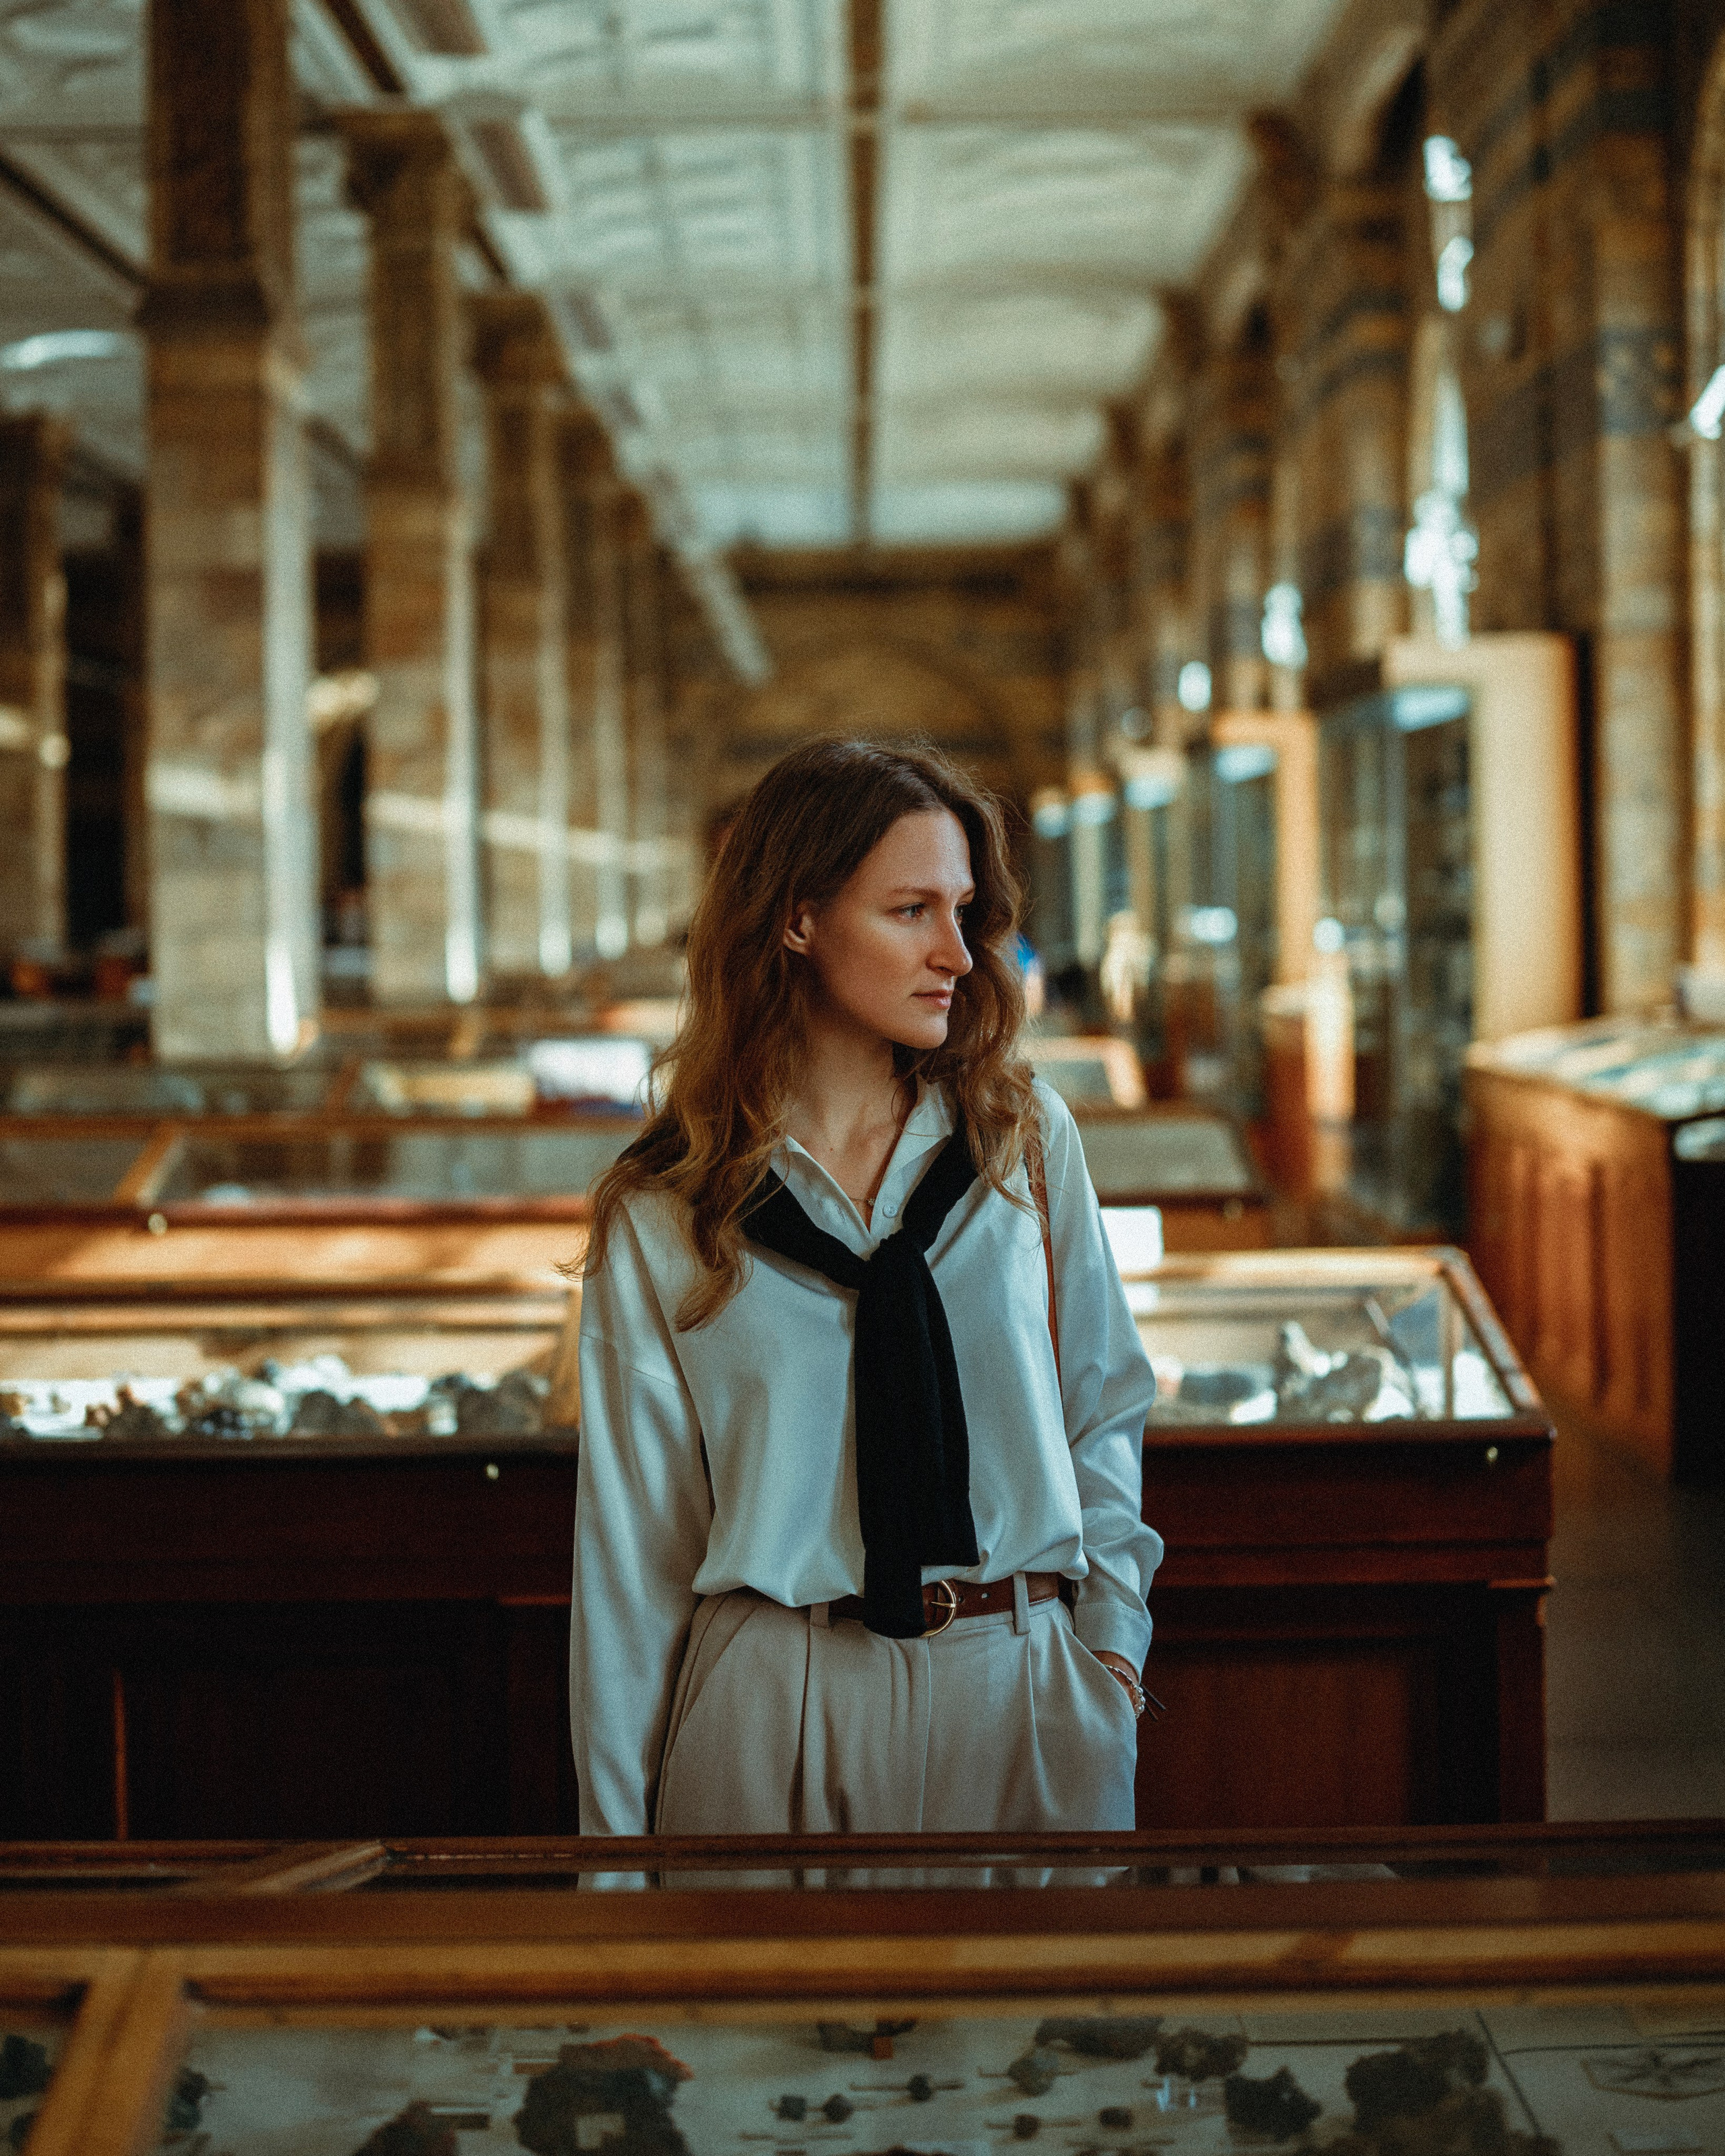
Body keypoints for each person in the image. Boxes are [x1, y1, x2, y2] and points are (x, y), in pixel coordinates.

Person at [572, 738, 1161, 1835]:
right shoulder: (665, 1206)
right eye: (910, 911)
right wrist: (615, 1874)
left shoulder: (1022, 1142)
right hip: (774, 1701)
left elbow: (1104, 1410)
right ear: (799, 919)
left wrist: (1111, 1661)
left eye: (963, 911)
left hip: (1024, 1691)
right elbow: (632, 1558)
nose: (958, 954)